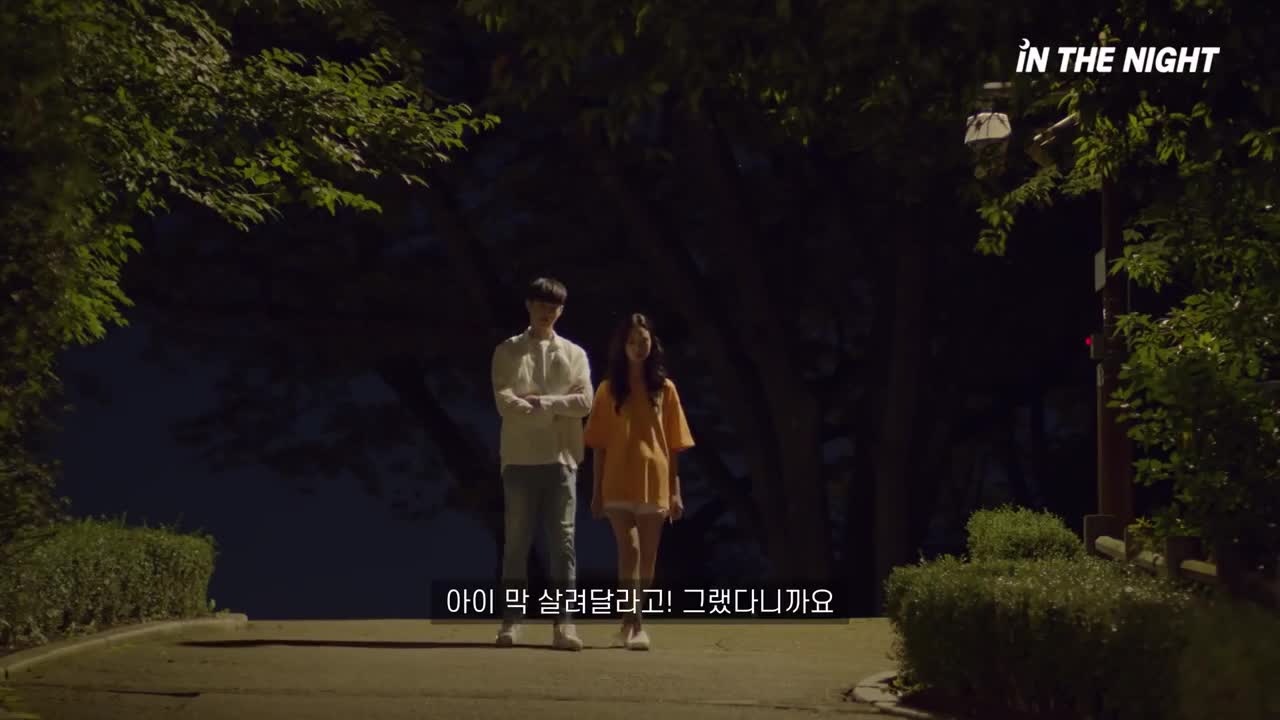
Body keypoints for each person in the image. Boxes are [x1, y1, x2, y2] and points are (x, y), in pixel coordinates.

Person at [490, 278, 592, 651]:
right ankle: (512, 621)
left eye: (554, 307)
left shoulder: (574, 353)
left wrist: (542, 403)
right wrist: (555, 408)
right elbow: (505, 402)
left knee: (563, 542)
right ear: (529, 305)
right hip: (519, 458)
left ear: (561, 311)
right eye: (541, 305)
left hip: (562, 458)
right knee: (517, 542)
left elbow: (585, 403)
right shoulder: (508, 351)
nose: (547, 313)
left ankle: (564, 623)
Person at [583, 312, 695, 651]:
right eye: (631, 341)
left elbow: (674, 444)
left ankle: (633, 624)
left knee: (648, 555)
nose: (638, 347)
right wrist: (596, 492)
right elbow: (598, 445)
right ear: (622, 346)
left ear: (652, 344)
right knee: (628, 550)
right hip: (617, 478)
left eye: (643, 341)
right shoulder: (607, 389)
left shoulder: (665, 388)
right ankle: (633, 623)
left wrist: (675, 492)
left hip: (655, 478)